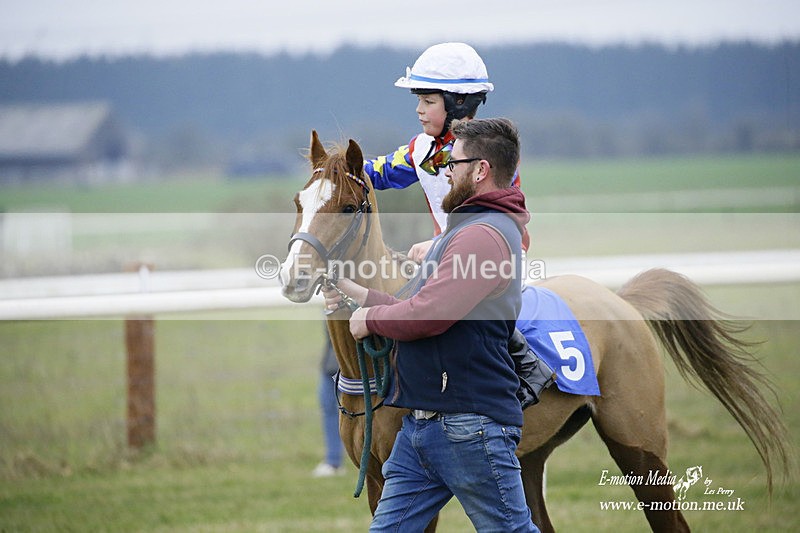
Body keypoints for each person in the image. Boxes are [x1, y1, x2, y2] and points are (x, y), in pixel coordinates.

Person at [324, 118, 540, 532]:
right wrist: (363, 295)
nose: (446, 170)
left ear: (480, 170)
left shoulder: (484, 237)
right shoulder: (464, 231)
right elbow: (418, 303)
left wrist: (370, 318)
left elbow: (428, 317)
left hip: (470, 428)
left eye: (454, 162)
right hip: (422, 430)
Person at [363, 42, 528, 262]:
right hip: (446, 256)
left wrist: (439, 243)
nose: (419, 109)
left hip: (496, 255)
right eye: (419, 100)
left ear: (458, 103)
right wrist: (337, 166)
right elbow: (377, 173)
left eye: (428, 101)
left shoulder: (494, 150)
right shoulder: (420, 149)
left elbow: (495, 217)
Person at [311, 329, 345, 477]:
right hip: (332, 360)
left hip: (343, 361)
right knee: (328, 405)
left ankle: (334, 461)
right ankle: (333, 460)